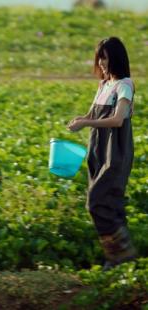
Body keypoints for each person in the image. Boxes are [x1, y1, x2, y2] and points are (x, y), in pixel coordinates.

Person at [68, 37, 137, 271]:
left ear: (116, 58)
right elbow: (91, 115)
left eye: (105, 57)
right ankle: (117, 259)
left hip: (115, 150)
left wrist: (87, 123)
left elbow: (118, 120)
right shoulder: (104, 84)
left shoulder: (124, 85)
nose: (102, 62)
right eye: (99, 57)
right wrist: (81, 120)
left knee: (96, 201)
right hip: (98, 149)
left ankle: (122, 253)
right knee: (110, 203)